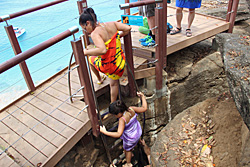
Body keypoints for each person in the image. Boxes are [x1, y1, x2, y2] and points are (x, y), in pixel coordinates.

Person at [79, 8, 131, 103]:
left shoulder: (95, 34)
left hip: (110, 66)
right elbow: (128, 28)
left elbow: (102, 50)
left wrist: (85, 52)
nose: (85, 31)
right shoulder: (111, 24)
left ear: (88, 23)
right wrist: (118, 36)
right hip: (120, 62)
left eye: (84, 28)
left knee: (91, 60)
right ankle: (113, 103)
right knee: (114, 83)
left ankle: (100, 81)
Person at [100, 92, 147, 167]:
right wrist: (143, 96)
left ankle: (128, 163)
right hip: (138, 131)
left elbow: (119, 134)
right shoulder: (131, 109)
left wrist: (105, 132)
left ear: (119, 113)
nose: (115, 116)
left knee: (127, 149)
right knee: (129, 147)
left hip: (130, 138)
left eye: (115, 114)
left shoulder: (122, 119)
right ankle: (130, 152)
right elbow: (144, 108)